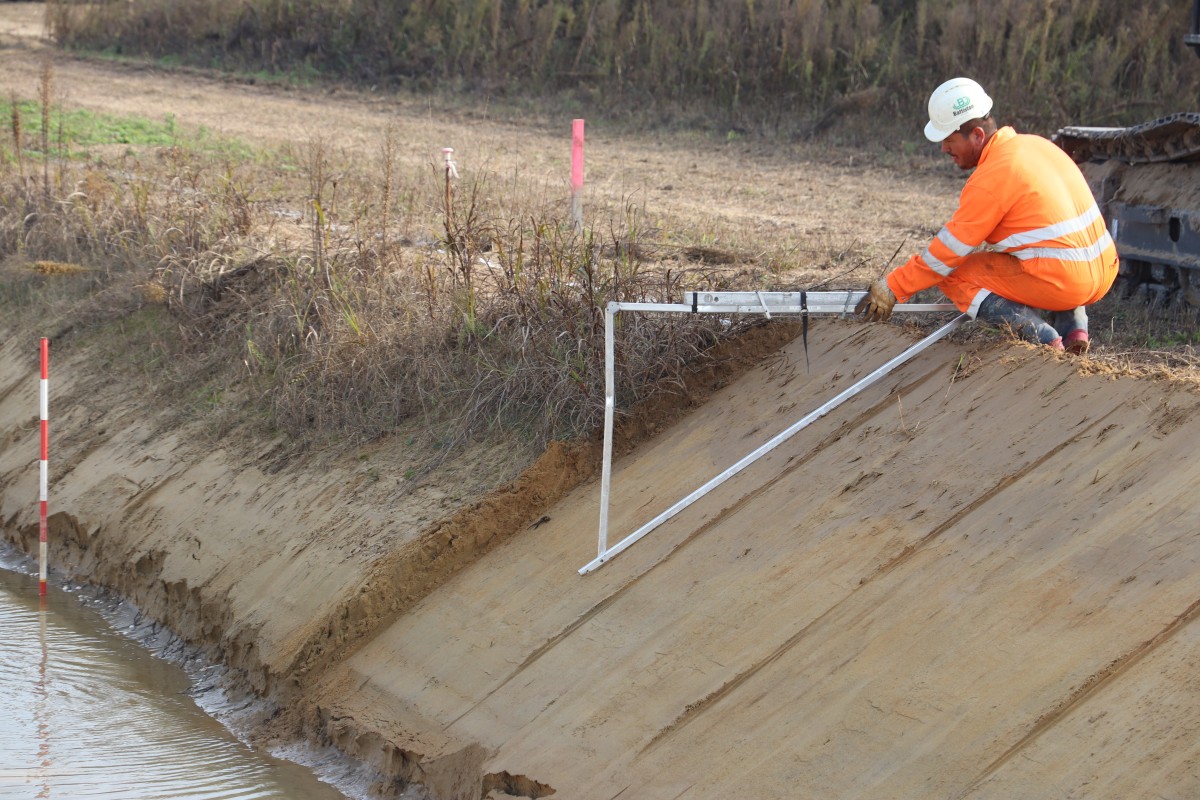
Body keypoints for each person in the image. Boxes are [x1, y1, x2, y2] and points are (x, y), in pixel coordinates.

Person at [855, 77, 1118, 354]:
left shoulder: (992, 176)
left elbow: (946, 254)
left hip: (1066, 281)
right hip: (1104, 271)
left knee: (951, 272)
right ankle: (1074, 329)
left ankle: (1043, 338)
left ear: (978, 135)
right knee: (1043, 254)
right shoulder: (1038, 146)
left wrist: (893, 287)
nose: (944, 149)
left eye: (949, 140)